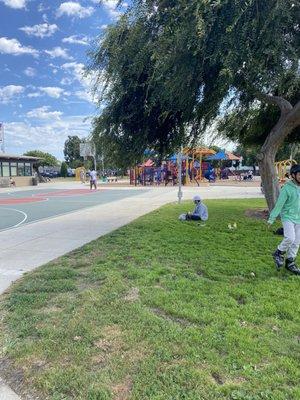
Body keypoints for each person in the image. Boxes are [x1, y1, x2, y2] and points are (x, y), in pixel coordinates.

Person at [268, 164, 300, 275]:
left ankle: (290, 262)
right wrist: (272, 218)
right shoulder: (287, 188)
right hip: (288, 217)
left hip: (299, 219)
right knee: (290, 238)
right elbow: (279, 204)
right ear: (293, 175)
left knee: (297, 242)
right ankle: (278, 252)